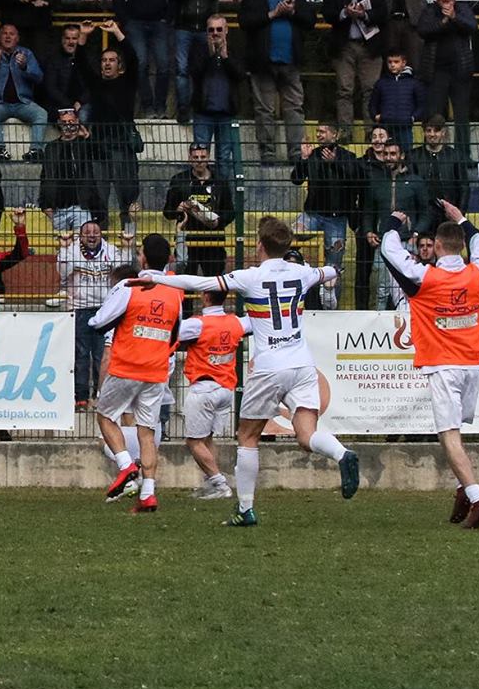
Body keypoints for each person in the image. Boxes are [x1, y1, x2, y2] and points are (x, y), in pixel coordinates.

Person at [137, 216, 360, 527]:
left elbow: (199, 283)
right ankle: (342, 454)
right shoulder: (303, 273)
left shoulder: (250, 277)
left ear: (259, 246)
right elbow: (329, 271)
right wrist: (336, 264)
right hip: (302, 364)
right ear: (287, 246)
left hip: (270, 367)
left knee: (247, 436)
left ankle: (245, 509)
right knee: (306, 434)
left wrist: (157, 278)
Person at [379, 201, 479, 527]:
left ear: (438, 246)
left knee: (448, 436)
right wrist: (463, 219)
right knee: (457, 432)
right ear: (462, 246)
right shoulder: (478, 274)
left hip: (444, 365)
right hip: (474, 364)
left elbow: (390, 251)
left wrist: (393, 222)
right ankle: (462, 489)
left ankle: (477, 497)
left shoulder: (424, 278)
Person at [86, 233, 183, 514]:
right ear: (167, 260)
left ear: (142, 257)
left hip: (127, 365)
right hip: (156, 370)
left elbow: (100, 321)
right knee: (147, 432)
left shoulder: (130, 286)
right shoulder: (174, 292)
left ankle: (126, 465)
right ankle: (148, 494)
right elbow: (175, 333)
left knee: (105, 416)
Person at [238, 0, 315, 164]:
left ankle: (297, 154)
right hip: (263, 63)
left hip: (291, 62)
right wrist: (272, 14)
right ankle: (268, 154)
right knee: (264, 110)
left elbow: (311, 20)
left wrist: (292, 13)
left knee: (295, 109)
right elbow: (244, 21)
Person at [175, 288, 243, 501]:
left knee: (194, 442)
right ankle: (211, 483)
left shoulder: (198, 323)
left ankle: (220, 484)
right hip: (226, 388)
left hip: (204, 387)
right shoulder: (235, 322)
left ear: (205, 297)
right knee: (207, 439)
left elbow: (172, 333)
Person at [75, 21, 142, 226]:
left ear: (118, 65)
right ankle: (100, 239)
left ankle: (128, 240)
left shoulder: (127, 82)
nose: (107, 63)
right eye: (104, 60)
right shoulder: (96, 84)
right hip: (99, 145)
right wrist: (84, 35)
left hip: (122, 145)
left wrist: (116, 32)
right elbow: (80, 62)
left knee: (127, 196)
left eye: (112, 60)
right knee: (99, 198)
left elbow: (133, 58)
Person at [292, 123, 365, 307]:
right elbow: (296, 179)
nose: (319, 135)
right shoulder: (313, 155)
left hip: (336, 219)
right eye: (318, 132)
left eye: (323, 132)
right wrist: (303, 158)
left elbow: (356, 182)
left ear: (335, 134)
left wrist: (336, 164)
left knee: (334, 266)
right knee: (290, 237)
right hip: (313, 214)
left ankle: (331, 306)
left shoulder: (348, 157)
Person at [58, 220, 126, 407]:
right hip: (79, 308)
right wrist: (64, 249)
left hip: (105, 309)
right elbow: (63, 273)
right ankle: (80, 397)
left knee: (100, 354)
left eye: (96, 232)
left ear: (101, 234)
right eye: (87, 232)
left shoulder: (111, 250)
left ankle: (100, 394)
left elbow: (123, 273)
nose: (92, 235)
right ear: (81, 235)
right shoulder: (72, 249)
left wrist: (127, 248)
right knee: (80, 354)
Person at [362, 138, 432, 309]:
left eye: (393, 153)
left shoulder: (416, 181)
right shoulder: (376, 181)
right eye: (385, 154)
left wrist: (416, 234)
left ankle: (410, 320)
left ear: (402, 155)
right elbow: (368, 212)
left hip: (408, 242)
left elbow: (426, 212)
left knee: (409, 286)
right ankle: (379, 322)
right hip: (383, 242)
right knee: (382, 288)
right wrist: (369, 231)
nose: (388, 157)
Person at [112, 0, 175, 117]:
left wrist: (167, 17)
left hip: (159, 23)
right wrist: (126, 21)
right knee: (139, 64)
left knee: (164, 65)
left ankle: (161, 106)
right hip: (136, 24)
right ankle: (148, 106)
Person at [322, 0, 385, 131]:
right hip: (344, 45)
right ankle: (345, 132)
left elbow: (382, 13)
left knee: (370, 91)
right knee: (344, 90)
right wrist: (344, 13)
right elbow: (327, 14)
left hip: (369, 46)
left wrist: (364, 15)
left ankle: (371, 133)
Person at [415, 0, 477, 153]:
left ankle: (463, 155)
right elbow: (423, 30)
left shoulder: (463, 9)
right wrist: (443, 21)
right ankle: (436, 152)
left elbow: (472, 26)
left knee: (462, 115)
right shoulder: (430, 10)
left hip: (460, 71)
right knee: (434, 115)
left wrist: (454, 17)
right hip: (436, 72)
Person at [169, 0, 225, 125]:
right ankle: (183, 108)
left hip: (206, 29)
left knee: (206, 69)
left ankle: (204, 105)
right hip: (183, 27)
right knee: (181, 69)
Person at [184, 15, 247, 178]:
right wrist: (210, 55)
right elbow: (194, 73)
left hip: (227, 113)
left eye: (219, 29)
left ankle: (223, 198)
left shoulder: (235, 49)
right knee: (199, 157)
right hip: (203, 113)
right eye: (211, 30)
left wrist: (225, 57)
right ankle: (199, 194)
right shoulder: (199, 49)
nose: (215, 33)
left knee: (224, 159)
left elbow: (240, 75)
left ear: (226, 30)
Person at [0, 23, 47, 159]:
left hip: (22, 102)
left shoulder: (26, 54)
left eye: (12, 34)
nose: (8, 36)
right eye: (4, 33)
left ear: (17, 38)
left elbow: (39, 78)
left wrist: (25, 67)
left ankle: (36, 151)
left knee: (41, 113)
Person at [163, 142, 234, 277]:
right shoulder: (179, 180)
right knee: (185, 285)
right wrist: (178, 209)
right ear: (190, 158)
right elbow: (167, 212)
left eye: (203, 157)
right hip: (187, 240)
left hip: (213, 241)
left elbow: (230, 212)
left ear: (208, 157)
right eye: (196, 158)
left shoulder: (220, 181)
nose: (199, 161)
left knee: (214, 284)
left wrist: (218, 222)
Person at [39, 110, 105, 233]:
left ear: (77, 122)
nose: (67, 125)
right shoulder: (51, 147)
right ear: (59, 123)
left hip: (80, 207)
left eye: (71, 122)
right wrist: (44, 205)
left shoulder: (84, 144)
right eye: (64, 122)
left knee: (79, 246)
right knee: (62, 248)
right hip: (58, 208)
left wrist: (87, 136)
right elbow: (45, 176)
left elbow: (101, 155)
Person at [410, 120, 471, 218]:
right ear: (424, 132)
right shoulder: (413, 156)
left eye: (436, 131)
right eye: (428, 130)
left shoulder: (455, 155)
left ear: (443, 132)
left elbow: (464, 187)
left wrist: (459, 214)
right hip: (422, 215)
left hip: (449, 213)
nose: (432, 134)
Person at [38, 22, 88, 121]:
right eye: (67, 38)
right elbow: (51, 88)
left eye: (74, 38)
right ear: (62, 39)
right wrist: (69, 107)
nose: (71, 42)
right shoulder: (53, 60)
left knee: (84, 115)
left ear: (79, 40)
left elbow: (91, 85)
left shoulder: (86, 60)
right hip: (58, 105)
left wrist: (80, 101)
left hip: (81, 105)